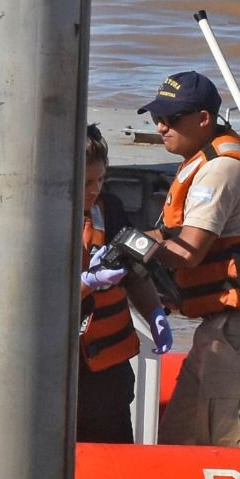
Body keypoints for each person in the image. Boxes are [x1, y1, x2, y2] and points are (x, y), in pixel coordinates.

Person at [137, 70, 240, 447]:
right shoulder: (201, 161)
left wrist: (132, 249)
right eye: (157, 118)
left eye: (172, 119)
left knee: (226, 444)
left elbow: (188, 253)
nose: (160, 127)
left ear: (203, 119)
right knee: (178, 437)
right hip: (219, 329)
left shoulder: (220, 171)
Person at [77, 124, 173, 443]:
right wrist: (88, 282)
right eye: (86, 182)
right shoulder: (40, 218)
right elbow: (36, 298)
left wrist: (155, 314)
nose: (94, 190)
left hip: (109, 374)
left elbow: (133, 272)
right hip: (61, 371)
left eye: (101, 179)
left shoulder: (110, 209)